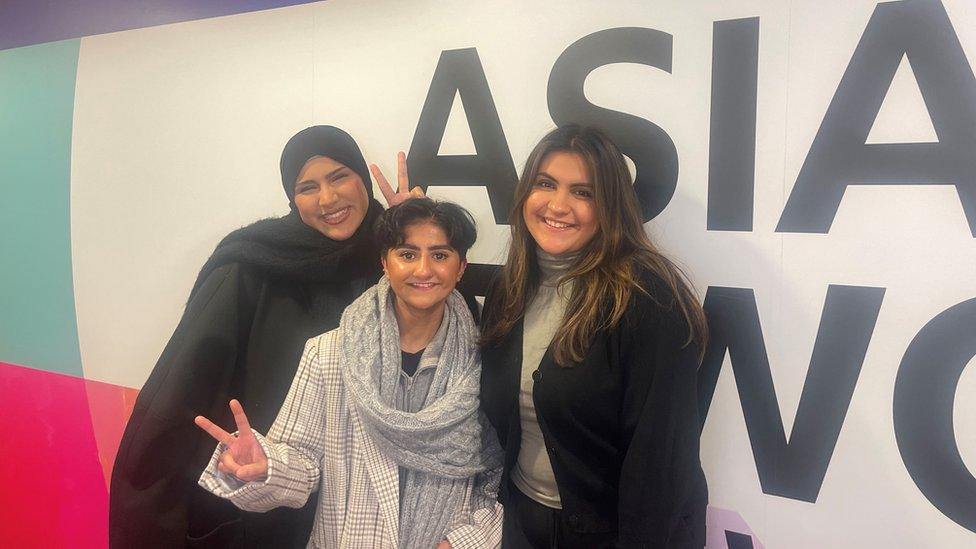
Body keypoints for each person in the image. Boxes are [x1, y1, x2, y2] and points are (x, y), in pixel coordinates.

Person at [110, 125, 415, 548]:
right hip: (267, 504)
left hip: (364, 512)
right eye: (308, 187)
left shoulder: (390, 257)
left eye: (340, 176)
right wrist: (148, 513)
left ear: (362, 179)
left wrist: (413, 232)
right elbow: (181, 389)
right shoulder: (251, 266)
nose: (328, 199)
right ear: (293, 199)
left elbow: (441, 329)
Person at [194, 197, 504, 549]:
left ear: (461, 267)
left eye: (440, 255)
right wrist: (267, 465)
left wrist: (463, 542)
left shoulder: (482, 358)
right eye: (407, 254)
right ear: (385, 263)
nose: (423, 270)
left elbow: (493, 474)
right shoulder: (328, 352)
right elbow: (304, 462)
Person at [479, 125, 709, 548]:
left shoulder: (648, 298)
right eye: (545, 184)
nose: (558, 205)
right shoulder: (508, 290)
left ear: (610, 208)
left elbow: (662, 462)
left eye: (583, 193)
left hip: (608, 534)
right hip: (517, 521)